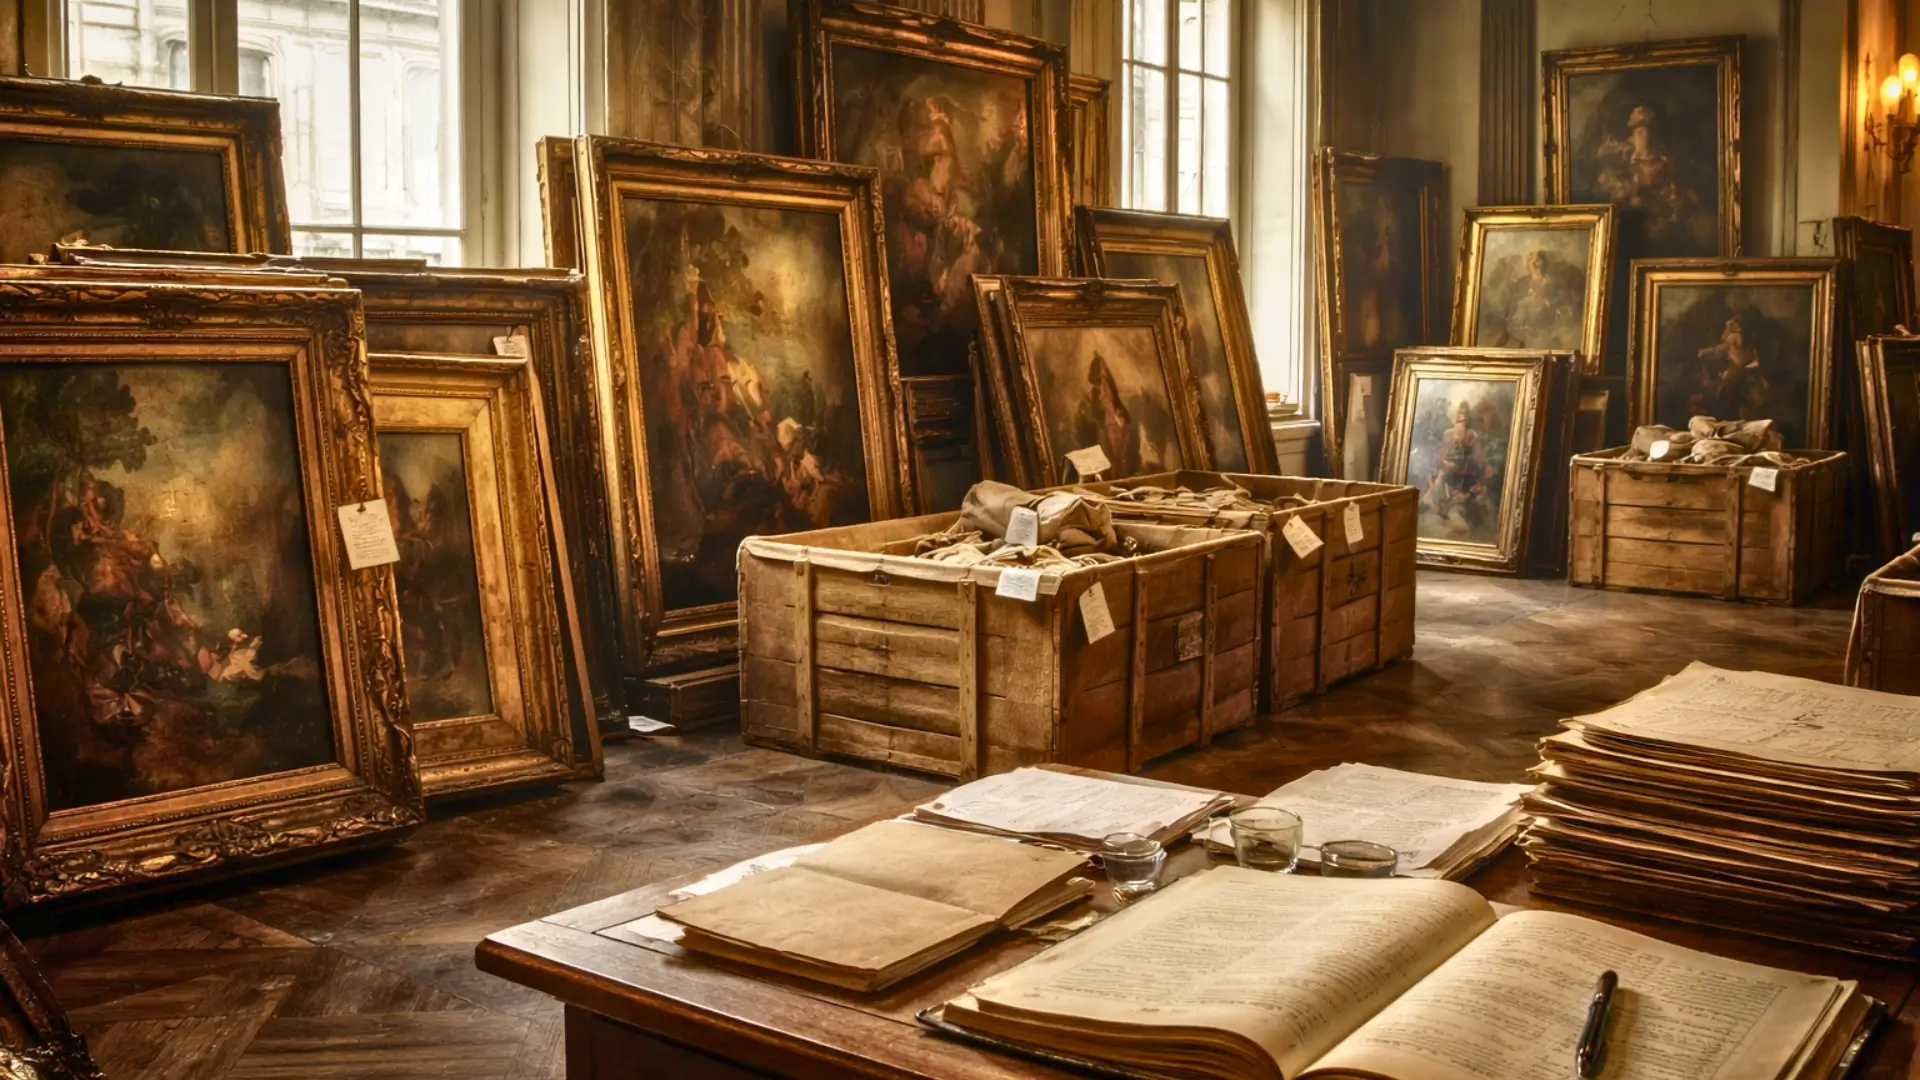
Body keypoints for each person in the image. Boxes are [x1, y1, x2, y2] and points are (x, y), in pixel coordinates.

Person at [1072, 352, 1145, 478]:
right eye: (1100, 382)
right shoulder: (1090, 404)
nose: (1103, 389)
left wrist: (1120, 426)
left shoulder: (1117, 405)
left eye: (1106, 383)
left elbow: (1125, 421)